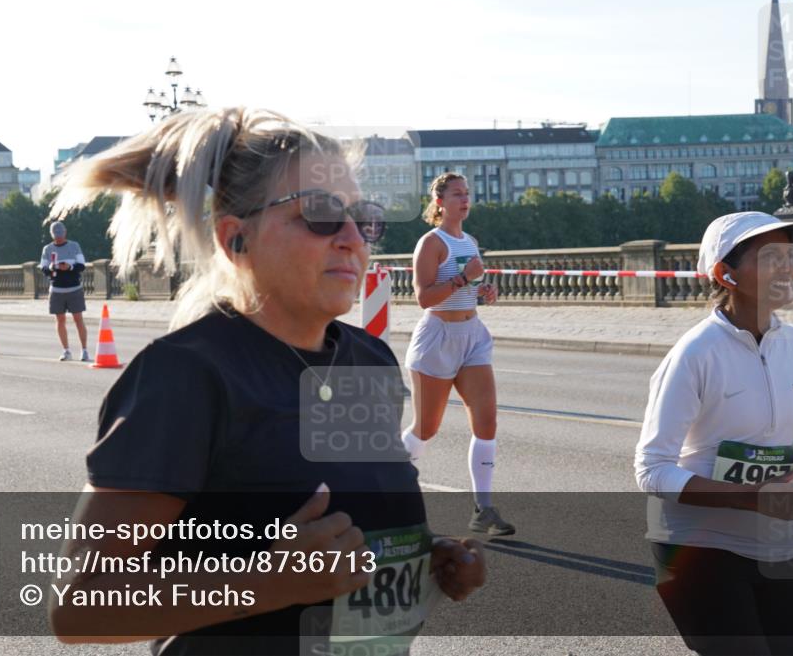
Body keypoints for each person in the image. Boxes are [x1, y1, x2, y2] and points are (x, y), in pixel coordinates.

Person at [47, 107, 486, 654]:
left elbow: (339, 528)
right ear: (237, 241)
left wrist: (419, 555)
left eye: (363, 218)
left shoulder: (369, 360)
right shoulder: (187, 375)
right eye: (322, 214)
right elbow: (79, 610)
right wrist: (266, 583)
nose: (353, 238)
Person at [635, 211, 793, 655]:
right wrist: (747, 497)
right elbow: (651, 469)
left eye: (788, 256)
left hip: (775, 541)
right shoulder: (695, 354)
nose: (786, 268)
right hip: (698, 546)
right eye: (770, 257)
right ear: (726, 273)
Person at [399, 172, 512, 537]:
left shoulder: (471, 240)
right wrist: (465, 280)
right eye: (457, 194)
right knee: (426, 429)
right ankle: (386, 488)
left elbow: (469, 288)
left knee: (487, 421)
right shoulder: (431, 243)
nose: (465, 200)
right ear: (439, 202)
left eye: (467, 194)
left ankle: (484, 508)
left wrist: (483, 292)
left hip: (472, 334)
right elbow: (424, 298)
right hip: (438, 336)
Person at [39, 221, 89, 361]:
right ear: (52, 235)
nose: (59, 237)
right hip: (56, 289)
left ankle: (84, 350)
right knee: (60, 320)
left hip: (74, 288)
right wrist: (52, 268)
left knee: (78, 319)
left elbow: (81, 266)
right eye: (56, 235)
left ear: (65, 232)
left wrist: (70, 267)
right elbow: (43, 269)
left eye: (60, 234)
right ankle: (66, 350)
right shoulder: (47, 249)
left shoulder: (74, 246)